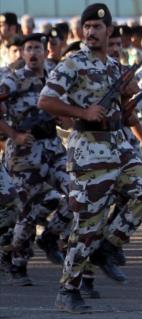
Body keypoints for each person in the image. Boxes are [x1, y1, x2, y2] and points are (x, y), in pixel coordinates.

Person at [39, 3, 142, 313]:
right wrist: (83, 112)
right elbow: (46, 100)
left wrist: (127, 105)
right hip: (88, 146)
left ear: (109, 32)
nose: (91, 32)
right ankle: (68, 288)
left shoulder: (115, 67)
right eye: (87, 26)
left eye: (98, 27)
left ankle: (108, 247)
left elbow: (124, 105)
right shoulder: (72, 63)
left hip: (119, 142)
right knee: (88, 222)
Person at [0, 34, 70, 285]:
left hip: (52, 147)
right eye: (27, 49)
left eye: (37, 48)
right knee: (27, 212)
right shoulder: (14, 79)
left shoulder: (55, 75)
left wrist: (66, 118)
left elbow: (68, 107)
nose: (32, 53)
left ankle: (50, 236)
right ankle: (17, 263)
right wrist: (14, 135)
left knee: (76, 193)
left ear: (45, 51)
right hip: (24, 154)